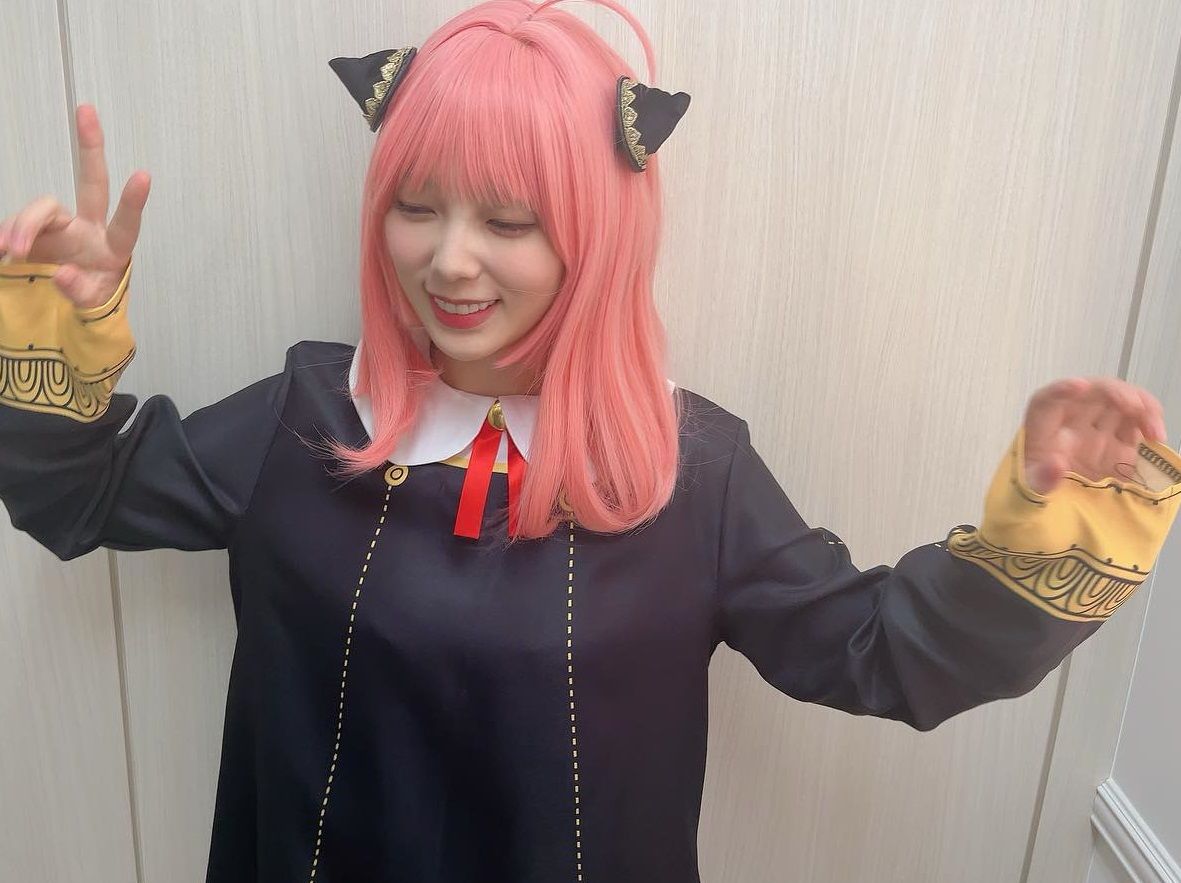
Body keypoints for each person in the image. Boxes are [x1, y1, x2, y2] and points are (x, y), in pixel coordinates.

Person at [1, 1, 1178, 880]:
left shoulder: (691, 474)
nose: (448, 259)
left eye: (509, 219)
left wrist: (1051, 533)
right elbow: (78, 496)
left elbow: (878, 652)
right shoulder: (305, 420)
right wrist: (55, 328)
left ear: (598, 231)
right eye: (416, 204)